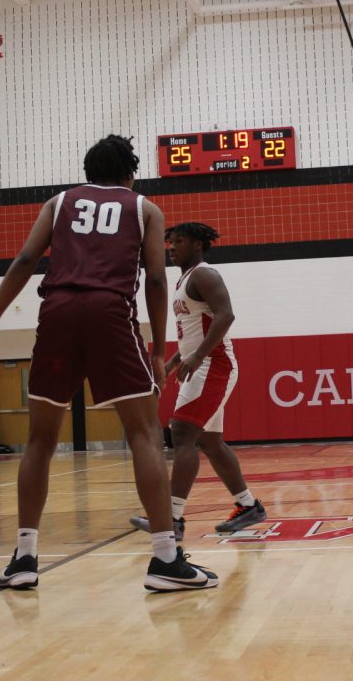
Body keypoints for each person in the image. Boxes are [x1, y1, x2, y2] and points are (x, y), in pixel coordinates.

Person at [0, 134, 217, 593]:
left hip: (57, 313)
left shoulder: (59, 202)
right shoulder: (144, 208)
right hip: (109, 314)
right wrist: (158, 348)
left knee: (40, 439)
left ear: (88, 171)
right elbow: (158, 282)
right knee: (143, 432)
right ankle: (165, 557)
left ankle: (24, 557)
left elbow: (26, 259)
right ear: (129, 173)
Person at [128, 222, 265, 542]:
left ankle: (172, 518)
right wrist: (176, 360)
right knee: (209, 442)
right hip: (201, 362)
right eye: (169, 242)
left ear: (198, 245)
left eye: (179, 241)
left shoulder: (206, 274)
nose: (171, 247)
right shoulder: (184, 280)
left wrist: (198, 356)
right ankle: (248, 507)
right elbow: (194, 330)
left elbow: (225, 316)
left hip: (214, 364)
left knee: (182, 432)